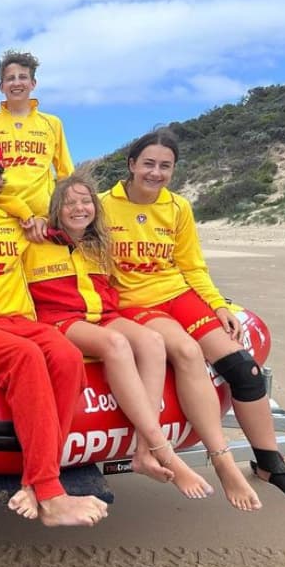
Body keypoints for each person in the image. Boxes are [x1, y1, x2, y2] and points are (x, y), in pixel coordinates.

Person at [101, 128, 285, 509]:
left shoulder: (177, 208)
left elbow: (191, 265)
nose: (156, 172)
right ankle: (223, 463)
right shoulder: (102, 205)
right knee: (188, 353)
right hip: (133, 301)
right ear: (131, 165)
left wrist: (217, 304)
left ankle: (272, 465)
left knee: (244, 368)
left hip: (178, 294)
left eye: (165, 166)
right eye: (148, 164)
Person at [0, 139, 109, 526]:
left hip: (20, 321)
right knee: (26, 358)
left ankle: (34, 482)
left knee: (67, 356)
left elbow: (62, 243)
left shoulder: (18, 222)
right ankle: (51, 491)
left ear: (0, 180)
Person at [24, 174, 214, 498]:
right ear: (56, 209)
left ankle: (143, 451)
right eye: (69, 203)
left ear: (96, 208)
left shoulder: (100, 246)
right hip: (61, 320)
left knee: (152, 342)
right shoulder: (36, 242)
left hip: (105, 316)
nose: (79, 208)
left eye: (85, 201)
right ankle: (164, 450)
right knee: (116, 344)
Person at [0, 50, 73, 231]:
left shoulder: (52, 123)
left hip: (41, 221)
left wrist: (57, 216)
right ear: (1, 86)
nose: (16, 83)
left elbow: (66, 173)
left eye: (23, 77)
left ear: (33, 83)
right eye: (10, 78)